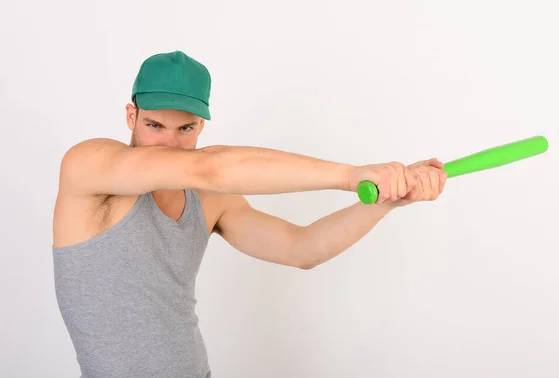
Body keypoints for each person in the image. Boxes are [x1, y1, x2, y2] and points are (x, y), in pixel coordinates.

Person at [52, 50, 447, 378]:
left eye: (185, 129)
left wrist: (386, 201)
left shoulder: (207, 199)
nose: (168, 144)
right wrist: (350, 175)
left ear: (201, 124)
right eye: (155, 125)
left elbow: (301, 248)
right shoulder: (89, 167)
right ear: (130, 115)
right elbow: (209, 166)